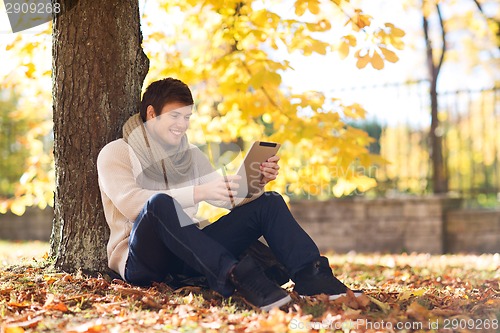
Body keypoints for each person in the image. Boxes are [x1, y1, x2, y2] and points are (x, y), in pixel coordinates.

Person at [97, 77, 361, 311]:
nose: (182, 125)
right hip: (144, 261)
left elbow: (227, 197)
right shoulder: (116, 152)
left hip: (190, 255)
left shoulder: (192, 156)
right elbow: (133, 205)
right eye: (175, 116)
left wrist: (256, 181)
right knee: (158, 204)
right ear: (152, 114)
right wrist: (198, 191)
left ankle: (312, 277)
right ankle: (241, 278)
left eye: (187, 117)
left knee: (269, 203)